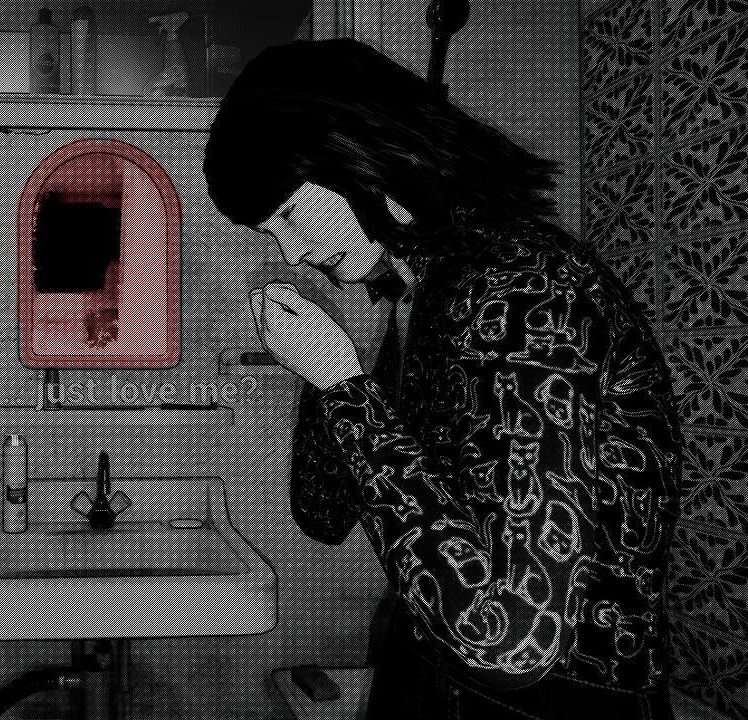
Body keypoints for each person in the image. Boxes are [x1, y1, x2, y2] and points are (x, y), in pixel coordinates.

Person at [204, 40, 682, 720]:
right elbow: (323, 510)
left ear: (358, 149)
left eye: (286, 215)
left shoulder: (523, 288)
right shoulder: (428, 289)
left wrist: (341, 382)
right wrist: (327, 371)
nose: (293, 252)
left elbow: (511, 640)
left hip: (557, 702)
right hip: (432, 672)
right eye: (270, 232)